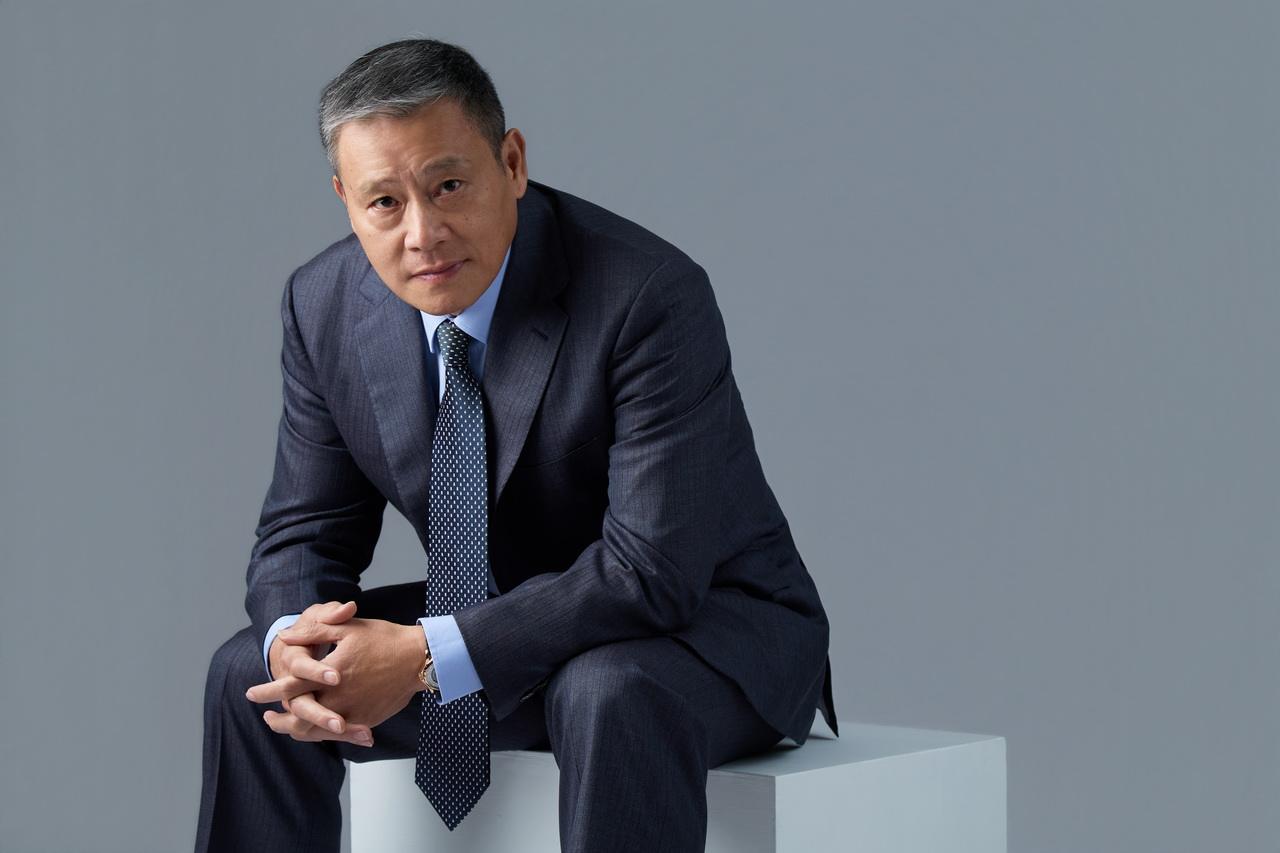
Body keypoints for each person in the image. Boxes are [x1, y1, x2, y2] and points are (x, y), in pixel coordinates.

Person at [195, 37, 837, 853]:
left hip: (709, 626)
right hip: (505, 628)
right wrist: (299, 644)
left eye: (449, 185)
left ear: (512, 163)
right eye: (384, 201)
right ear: (345, 200)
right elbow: (304, 531)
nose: (423, 232)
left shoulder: (647, 295)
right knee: (252, 674)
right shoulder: (322, 304)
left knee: (605, 687)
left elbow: (652, 572)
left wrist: (424, 655)